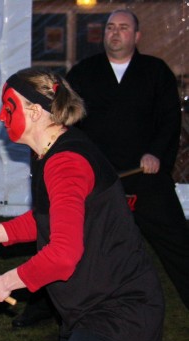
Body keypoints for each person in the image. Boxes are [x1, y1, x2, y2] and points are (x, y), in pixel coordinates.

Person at [0, 68, 164, 341]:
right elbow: (46, 219)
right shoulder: (55, 153)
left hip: (118, 309)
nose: (2, 117)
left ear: (34, 111)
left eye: (9, 107)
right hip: (89, 308)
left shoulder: (66, 161)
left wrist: (6, 281)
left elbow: (62, 254)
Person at [65, 9, 188, 310]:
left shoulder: (156, 71)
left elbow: (169, 120)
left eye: (123, 27)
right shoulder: (84, 72)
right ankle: (44, 306)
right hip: (100, 177)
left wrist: (156, 154)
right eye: (109, 27)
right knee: (71, 241)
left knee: (177, 242)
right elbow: (66, 121)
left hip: (146, 175)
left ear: (137, 36)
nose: (115, 33)